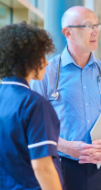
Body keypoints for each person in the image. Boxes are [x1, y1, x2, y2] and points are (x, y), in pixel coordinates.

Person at [30, 6, 101, 190]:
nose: (95, 31)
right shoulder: (46, 73)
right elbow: (33, 126)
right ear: (68, 32)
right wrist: (65, 146)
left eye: (97, 25)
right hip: (60, 165)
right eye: (88, 25)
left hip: (100, 167)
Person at [0, 22, 63, 190]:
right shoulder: (35, 105)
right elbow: (42, 167)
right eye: (43, 56)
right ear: (30, 59)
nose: (47, 63)